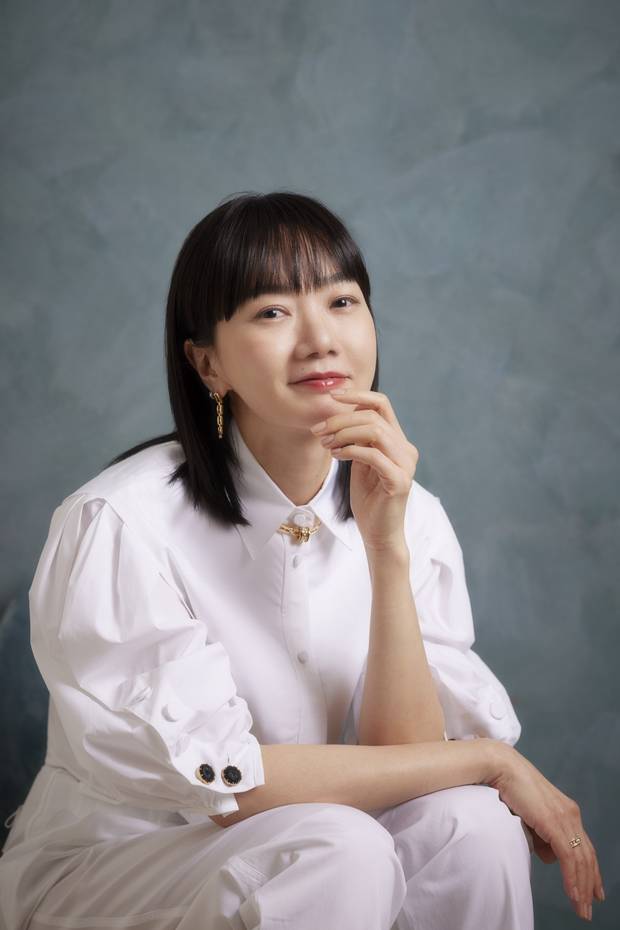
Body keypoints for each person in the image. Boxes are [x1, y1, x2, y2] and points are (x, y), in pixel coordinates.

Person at [0, 191, 603, 930]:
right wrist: (491, 758)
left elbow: (410, 768)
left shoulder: (411, 512)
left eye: (342, 301)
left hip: (316, 851)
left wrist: (386, 550)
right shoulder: (121, 520)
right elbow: (231, 790)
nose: (320, 339)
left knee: (471, 826)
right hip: (117, 868)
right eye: (272, 312)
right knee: (339, 845)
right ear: (206, 363)